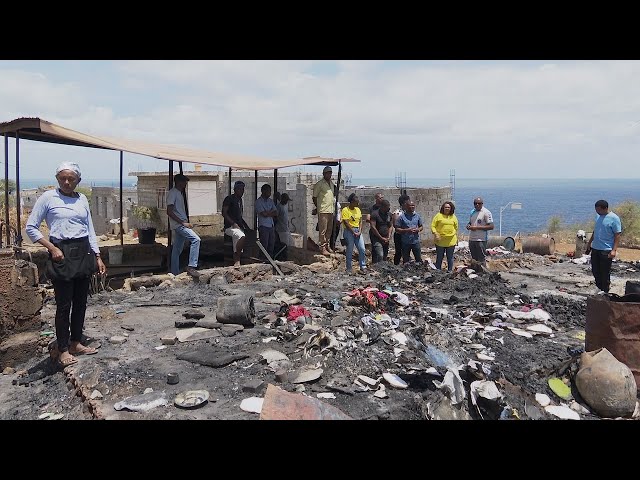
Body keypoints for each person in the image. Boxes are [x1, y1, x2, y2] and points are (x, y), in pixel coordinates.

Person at [26, 162, 106, 368]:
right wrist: (52, 248)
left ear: (78, 180)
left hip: (83, 250)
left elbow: (89, 228)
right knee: (63, 305)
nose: (67, 182)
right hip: (61, 252)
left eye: (71, 178)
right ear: (57, 179)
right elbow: (31, 228)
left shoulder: (82, 199)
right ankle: (62, 349)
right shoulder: (48, 198)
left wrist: (97, 256)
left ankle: (75, 342)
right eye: (63, 178)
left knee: (81, 301)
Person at [166, 173, 200, 277]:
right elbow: (169, 211)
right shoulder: (173, 193)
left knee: (176, 250)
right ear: (179, 182)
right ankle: (192, 266)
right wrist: (183, 223)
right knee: (196, 240)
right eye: (184, 181)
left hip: (180, 224)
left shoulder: (179, 193)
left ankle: (174, 273)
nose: (185, 183)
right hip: (179, 225)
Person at [586, 199, 622, 293]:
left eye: (598, 210)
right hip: (595, 248)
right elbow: (595, 231)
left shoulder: (614, 218)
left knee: (604, 272)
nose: (597, 212)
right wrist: (589, 243)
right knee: (595, 270)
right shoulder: (598, 217)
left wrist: (614, 250)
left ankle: (605, 291)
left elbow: (617, 234)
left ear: (605, 208)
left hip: (606, 249)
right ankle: (599, 288)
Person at [222, 180, 252, 266]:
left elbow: (239, 217)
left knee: (243, 236)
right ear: (235, 189)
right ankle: (237, 258)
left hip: (238, 226)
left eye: (243, 189)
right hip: (229, 227)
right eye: (240, 189)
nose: (242, 191)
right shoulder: (229, 199)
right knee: (240, 236)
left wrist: (246, 226)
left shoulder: (240, 201)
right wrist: (233, 223)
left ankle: (241, 259)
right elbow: (224, 213)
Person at [312, 166, 336, 256]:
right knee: (323, 230)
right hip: (323, 210)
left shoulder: (331, 184)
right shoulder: (320, 184)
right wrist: (318, 207)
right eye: (327, 173)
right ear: (324, 174)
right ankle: (322, 247)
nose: (329, 174)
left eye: (330, 173)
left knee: (329, 229)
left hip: (330, 209)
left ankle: (327, 245)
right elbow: (314, 197)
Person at [342, 193, 367, 274]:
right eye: (356, 202)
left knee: (362, 248)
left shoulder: (358, 210)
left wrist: (359, 231)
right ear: (352, 202)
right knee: (350, 249)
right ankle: (349, 268)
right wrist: (353, 232)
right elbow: (346, 222)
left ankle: (363, 266)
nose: (358, 204)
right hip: (349, 231)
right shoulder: (345, 210)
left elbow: (360, 221)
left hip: (357, 231)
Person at [431, 201, 459, 272]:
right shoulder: (438, 215)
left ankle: (449, 271)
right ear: (443, 208)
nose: (447, 208)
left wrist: (454, 235)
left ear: (451, 208)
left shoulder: (453, 217)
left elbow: (456, 227)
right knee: (439, 257)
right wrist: (435, 233)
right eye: (446, 207)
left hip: (451, 241)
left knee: (450, 257)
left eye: (448, 207)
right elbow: (433, 226)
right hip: (440, 241)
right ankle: (438, 271)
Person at [466, 197, 494, 266]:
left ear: (482, 204)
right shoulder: (472, 211)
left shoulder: (486, 212)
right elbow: (471, 222)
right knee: (474, 258)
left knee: (481, 258)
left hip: (481, 239)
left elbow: (491, 226)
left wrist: (476, 227)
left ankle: (483, 273)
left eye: (479, 203)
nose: (477, 205)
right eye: (475, 203)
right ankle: (475, 272)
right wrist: (468, 225)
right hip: (472, 238)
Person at [255, 183, 278, 259]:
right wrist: (270, 212)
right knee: (264, 245)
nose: (269, 193)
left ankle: (270, 260)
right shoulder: (258, 202)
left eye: (270, 191)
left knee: (271, 244)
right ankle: (262, 260)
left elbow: (276, 213)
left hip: (271, 226)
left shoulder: (270, 201)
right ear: (263, 191)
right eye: (268, 191)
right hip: (263, 226)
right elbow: (263, 214)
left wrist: (267, 212)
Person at [369, 199, 392, 263]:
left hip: (386, 238)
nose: (389, 208)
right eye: (387, 207)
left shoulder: (389, 215)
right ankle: (377, 268)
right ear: (382, 206)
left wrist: (389, 237)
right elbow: (373, 227)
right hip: (376, 238)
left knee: (385, 255)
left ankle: (383, 270)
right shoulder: (375, 214)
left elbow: (390, 226)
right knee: (380, 254)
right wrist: (381, 238)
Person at [392, 194, 410, 265]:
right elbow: (396, 226)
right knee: (399, 252)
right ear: (404, 203)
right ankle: (396, 266)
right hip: (399, 236)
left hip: (408, 236)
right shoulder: (397, 213)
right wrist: (406, 229)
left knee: (407, 252)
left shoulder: (409, 212)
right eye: (408, 202)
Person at [275, 193, 293, 260]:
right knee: (283, 245)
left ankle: (285, 257)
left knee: (289, 244)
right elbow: (276, 217)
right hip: (281, 229)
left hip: (286, 229)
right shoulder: (278, 207)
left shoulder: (285, 206)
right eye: (286, 200)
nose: (286, 201)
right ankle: (282, 258)